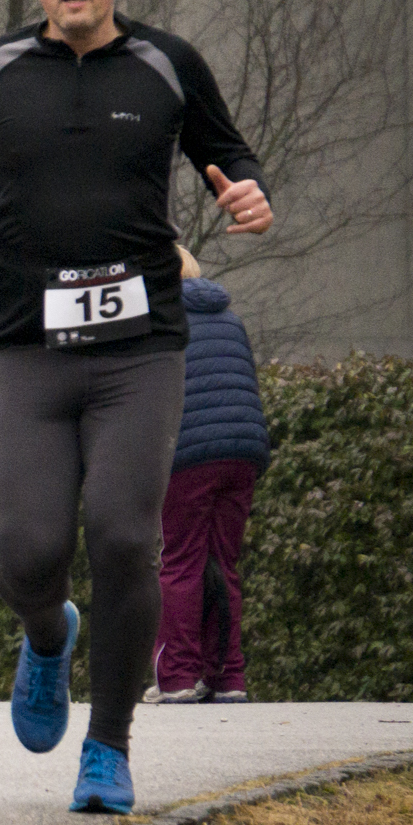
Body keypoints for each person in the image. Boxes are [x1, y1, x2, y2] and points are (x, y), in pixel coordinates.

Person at [0, 0, 272, 815]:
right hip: (27, 344)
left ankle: (107, 747)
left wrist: (248, 191)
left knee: (123, 535)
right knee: (30, 553)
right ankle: (46, 635)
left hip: (139, 347)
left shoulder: (168, 65)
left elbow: (229, 153)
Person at [145, 245, 271, 706]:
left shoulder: (157, 322)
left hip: (190, 453)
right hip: (243, 451)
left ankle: (178, 676)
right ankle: (228, 677)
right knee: (223, 564)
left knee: (181, 563)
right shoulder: (231, 320)